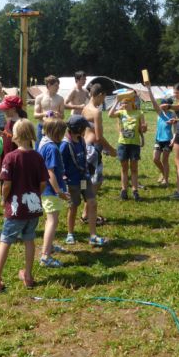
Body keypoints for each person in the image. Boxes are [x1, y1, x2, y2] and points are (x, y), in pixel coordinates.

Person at [0, 119, 49, 292]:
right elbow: (43, 183)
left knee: (5, 240)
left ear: (15, 136)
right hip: (33, 209)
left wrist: (3, 199)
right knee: (29, 239)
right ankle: (28, 276)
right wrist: (36, 194)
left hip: (15, 210)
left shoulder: (10, 157)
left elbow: (6, 184)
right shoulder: (38, 157)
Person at [60, 115, 101, 245]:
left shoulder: (81, 140)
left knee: (92, 202)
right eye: (84, 128)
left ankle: (93, 235)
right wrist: (63, 179)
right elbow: (60, 164)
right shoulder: (65, 145)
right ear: (78, 129)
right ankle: (70, 233)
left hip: (84, 179)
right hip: (73, 182)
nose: (85, 131)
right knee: (74, 206)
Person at [81, 83, 116, 235]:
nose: (104, 100)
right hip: (93, 150)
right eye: (104, 97)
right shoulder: (96, 112)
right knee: (95, 182)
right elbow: (99, 136)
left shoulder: (85, 108)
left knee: (88, 180)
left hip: (85, 147)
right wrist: (111, 150)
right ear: (100, 95)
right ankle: (87, 214)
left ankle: (85, 212)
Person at [37, 118, 70, 266]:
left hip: (46, 190)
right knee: (53, 221)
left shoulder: (43, 143)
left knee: (50, 219)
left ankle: (49, 247)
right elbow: (50, 172)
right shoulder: (53, 149)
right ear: (57, 133)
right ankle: (45, 256)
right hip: (51, 191)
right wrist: (59, 191)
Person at [108, 91, 146, 201]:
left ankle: (135, 191)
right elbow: (110, 115)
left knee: (134, 168)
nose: (124, 105)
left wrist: (144, 130)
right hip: (123, 143)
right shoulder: (121, 112)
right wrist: (117, 101)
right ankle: (124, 191)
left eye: (127, 102)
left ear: (132, 103)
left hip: (134, 144)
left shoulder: (139, 113)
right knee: (124, 168)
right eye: (123, 103)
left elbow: (142, 128)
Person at [144, 82, 175, 186]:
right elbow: (153, 102)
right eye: (161, 104)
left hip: (168, 140)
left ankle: (166, 180)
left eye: (164, 105)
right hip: (158, 139)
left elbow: (175, 127)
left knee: (165, 160)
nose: (162, 106)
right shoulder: (159, 113)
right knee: (155, 159)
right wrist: (149, 89)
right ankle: (163, 173)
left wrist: (173, 139)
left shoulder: (172, 114)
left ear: (168, 106)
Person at [34, 75, 64, 147]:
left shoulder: (60, 99)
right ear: (49, 85)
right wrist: (45, 114)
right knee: (39, 149)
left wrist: (58, 115)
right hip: (42, 126)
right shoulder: (39, 98)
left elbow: (62, 116)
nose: (58, 87)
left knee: (55, 148)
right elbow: (35, 115)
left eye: (58, 85)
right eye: (56, 85)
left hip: (55, 127)